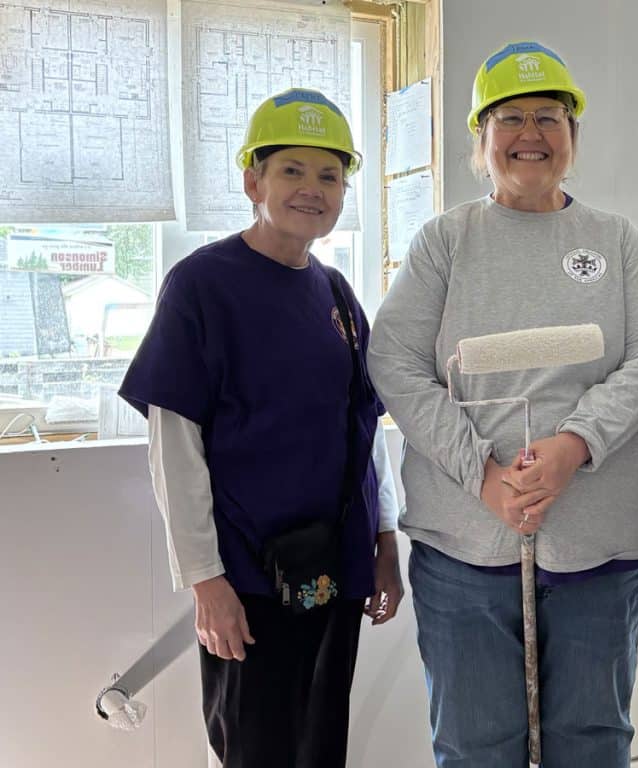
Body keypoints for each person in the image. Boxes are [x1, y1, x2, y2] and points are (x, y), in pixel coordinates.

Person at [367, 41, 638, 768]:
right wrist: (483, 473)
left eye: (549, 117)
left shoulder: (614, 240)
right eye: (510, 118)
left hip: (599, 549)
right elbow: (395, 361)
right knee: (477, 748)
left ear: (574, 137)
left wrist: (574, 446)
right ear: (481, 140)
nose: (531, 134)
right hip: (464, 551)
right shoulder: (446, 243)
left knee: (593, 744)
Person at [118, 87, 403, 768]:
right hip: (247, 574)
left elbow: (363, 432)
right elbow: (175, 445)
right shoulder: (202, 286)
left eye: (330, 175)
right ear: (254, 180)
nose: (313, 189)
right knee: (252, 745)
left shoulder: (336, 294)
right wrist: (204, 582)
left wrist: (384, 538)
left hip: (334, 567)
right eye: (292, 170)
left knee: (318, 742)